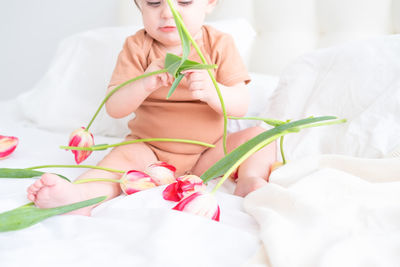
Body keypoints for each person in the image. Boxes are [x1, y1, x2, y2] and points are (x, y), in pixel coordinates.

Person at [26, 0, 276, 216]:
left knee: (261, 137)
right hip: (150, 150)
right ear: (139, 5)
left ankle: (249, 180)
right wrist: (144, 83)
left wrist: (214, 91)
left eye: (184, 2)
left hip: (209, 152)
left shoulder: (219, 43)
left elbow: (241, 105)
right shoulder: (137, 46)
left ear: (209, 3)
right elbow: (114, 107)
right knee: (119, 159)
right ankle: (81, 195)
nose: (168, 13)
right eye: (154, 2)